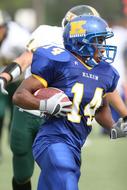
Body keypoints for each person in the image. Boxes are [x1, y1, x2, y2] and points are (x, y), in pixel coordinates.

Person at [12, 15, 127, 190]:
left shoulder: (105, 72)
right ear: (81, 42)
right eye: (98, 41)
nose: (103, 47)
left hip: (75, 146)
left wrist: (114, 127)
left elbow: (100, 108)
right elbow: (19, 95)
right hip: (52, 141)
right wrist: (44, 105)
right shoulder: (59, 62)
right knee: (67, 183)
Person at [0, 5, 103, 190]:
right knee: (22, 172)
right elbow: (25, 59)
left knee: (61, 170)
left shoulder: (93, 51)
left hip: (60, 116)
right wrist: (5, 76)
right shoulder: (47, 34)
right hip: (29, 107)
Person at [0, 10, 30, 160]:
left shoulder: (18, 38)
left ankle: (13, 143)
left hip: (18, 81)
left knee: (15, 115)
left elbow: (29, 57)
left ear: (5, 27)